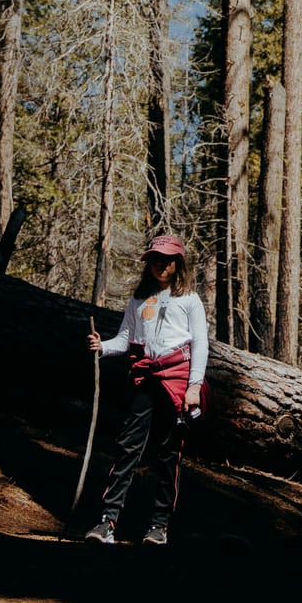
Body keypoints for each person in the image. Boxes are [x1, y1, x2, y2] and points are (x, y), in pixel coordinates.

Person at [84, 234, 208, 546]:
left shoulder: (190, 300)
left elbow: (200, 345)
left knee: (168, 453)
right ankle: (107, 522)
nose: (160, 265)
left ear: (178, 263)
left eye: (166, 260)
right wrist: (103, 347)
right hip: (145, 377)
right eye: (155, 259)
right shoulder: (139, 301)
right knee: (128, 446)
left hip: (178, 380)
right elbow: (126, 339)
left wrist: (194, 386)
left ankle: (159, 526)